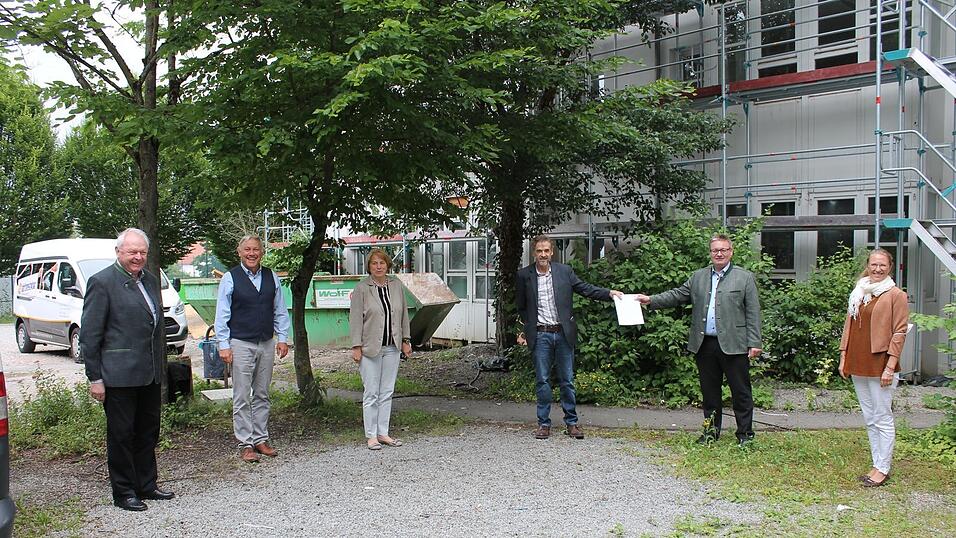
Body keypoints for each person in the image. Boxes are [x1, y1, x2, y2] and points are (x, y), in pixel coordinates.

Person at [80, 228, 175, 511]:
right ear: (119, 252)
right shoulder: (102, 282)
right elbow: (90, 334)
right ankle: (124, 492)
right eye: (132, 251)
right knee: (121, 435)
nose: (137, 257)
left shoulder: (149, 280)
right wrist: (95, 377)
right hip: (118, 375)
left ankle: (146, 485)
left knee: (148, 431)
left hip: (149, 373)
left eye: (142, 252)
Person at [636, 234, 762, 446]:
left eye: (723, 250)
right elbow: (677, 295)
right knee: (710, 394)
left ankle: (745, 436)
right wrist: (651, 300)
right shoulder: (698, 277)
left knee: (740, 392)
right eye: (715, 250)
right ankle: (710, 434)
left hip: (734, 344)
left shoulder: (744, 277)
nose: (719, 253)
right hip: (706, 344)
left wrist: (755, 342)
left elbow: (753, 312)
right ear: (710, 253)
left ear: (731, 252)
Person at [516, 235, 623, 440]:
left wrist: (609, 293)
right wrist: (523, 331)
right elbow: (521, 307)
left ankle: (572, 423)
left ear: (552, 252)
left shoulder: (564, 272)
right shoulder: (523, 275)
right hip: (540, 335)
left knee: (567, 380)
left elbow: (585, 289)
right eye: (539, 251)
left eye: (546, 250)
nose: (543, 255)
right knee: (543, 381)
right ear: (534, 253)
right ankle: (544, 424)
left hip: (563, 334)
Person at [215, 235, 290, 463]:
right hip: (241, 342)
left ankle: (261, 438)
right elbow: (222, 314)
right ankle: (245, 443)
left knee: (262, 393)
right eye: (247, 249)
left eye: (255, 249)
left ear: (261, 252)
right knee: (241, 395)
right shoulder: (230, 278)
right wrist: (223, 344)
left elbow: (280, 309)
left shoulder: (271, 276)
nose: (251, 253)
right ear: (239, 252)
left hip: (266, 342)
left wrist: (283, 338)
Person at [838, 248, 908, 488]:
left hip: (881, 363)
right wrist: (843, 356)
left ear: (890, 267)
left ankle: (883, 468)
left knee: (882, 416)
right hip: (858, 362)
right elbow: (849, 325)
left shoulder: (895, 295)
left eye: (883, 265)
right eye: (873, 265)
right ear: (867, 265)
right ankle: (876, 463)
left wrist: (890, 367)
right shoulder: (860, 291)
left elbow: (899, 332)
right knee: (870, 418)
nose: (877, 269)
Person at [349, 249, 412, 450]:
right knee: (371, 392)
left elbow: (403, 316)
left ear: (387, 265)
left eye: (382, 263)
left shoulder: (396, 286)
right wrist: (356, 346)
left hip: (392, 347)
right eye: (374, 263)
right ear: (369, 266)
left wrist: (405, 340)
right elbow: (356, 319)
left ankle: (383, 433)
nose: (378, 266)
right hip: (369, 348)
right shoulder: (362, 289)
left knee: (387, 391)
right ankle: (371, 435)